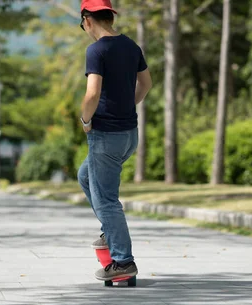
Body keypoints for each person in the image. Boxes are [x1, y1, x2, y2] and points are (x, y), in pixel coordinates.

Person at [77, 0, 152, 281]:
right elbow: (146, 83)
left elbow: (92, 94)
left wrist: (85, 120)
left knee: (107, 200)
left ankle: (123, 261)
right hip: (129, 135)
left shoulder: (96, 50)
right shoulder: (131, 46)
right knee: (85, 177)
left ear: (87, 19)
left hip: (105, 135)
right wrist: (128, 107)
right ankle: (110, 232)